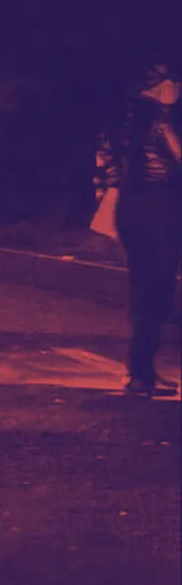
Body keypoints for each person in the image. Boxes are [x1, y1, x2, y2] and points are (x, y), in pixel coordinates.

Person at [101, 62, 181, 397]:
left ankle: (141, 369)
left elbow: (107, 168)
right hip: (156, 210)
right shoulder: (158, 124)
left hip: (132, 210)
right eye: (172, 82)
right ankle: (141, 374)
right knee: (156, 287)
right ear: (159, 88)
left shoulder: (127, 122)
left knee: (145, 285)